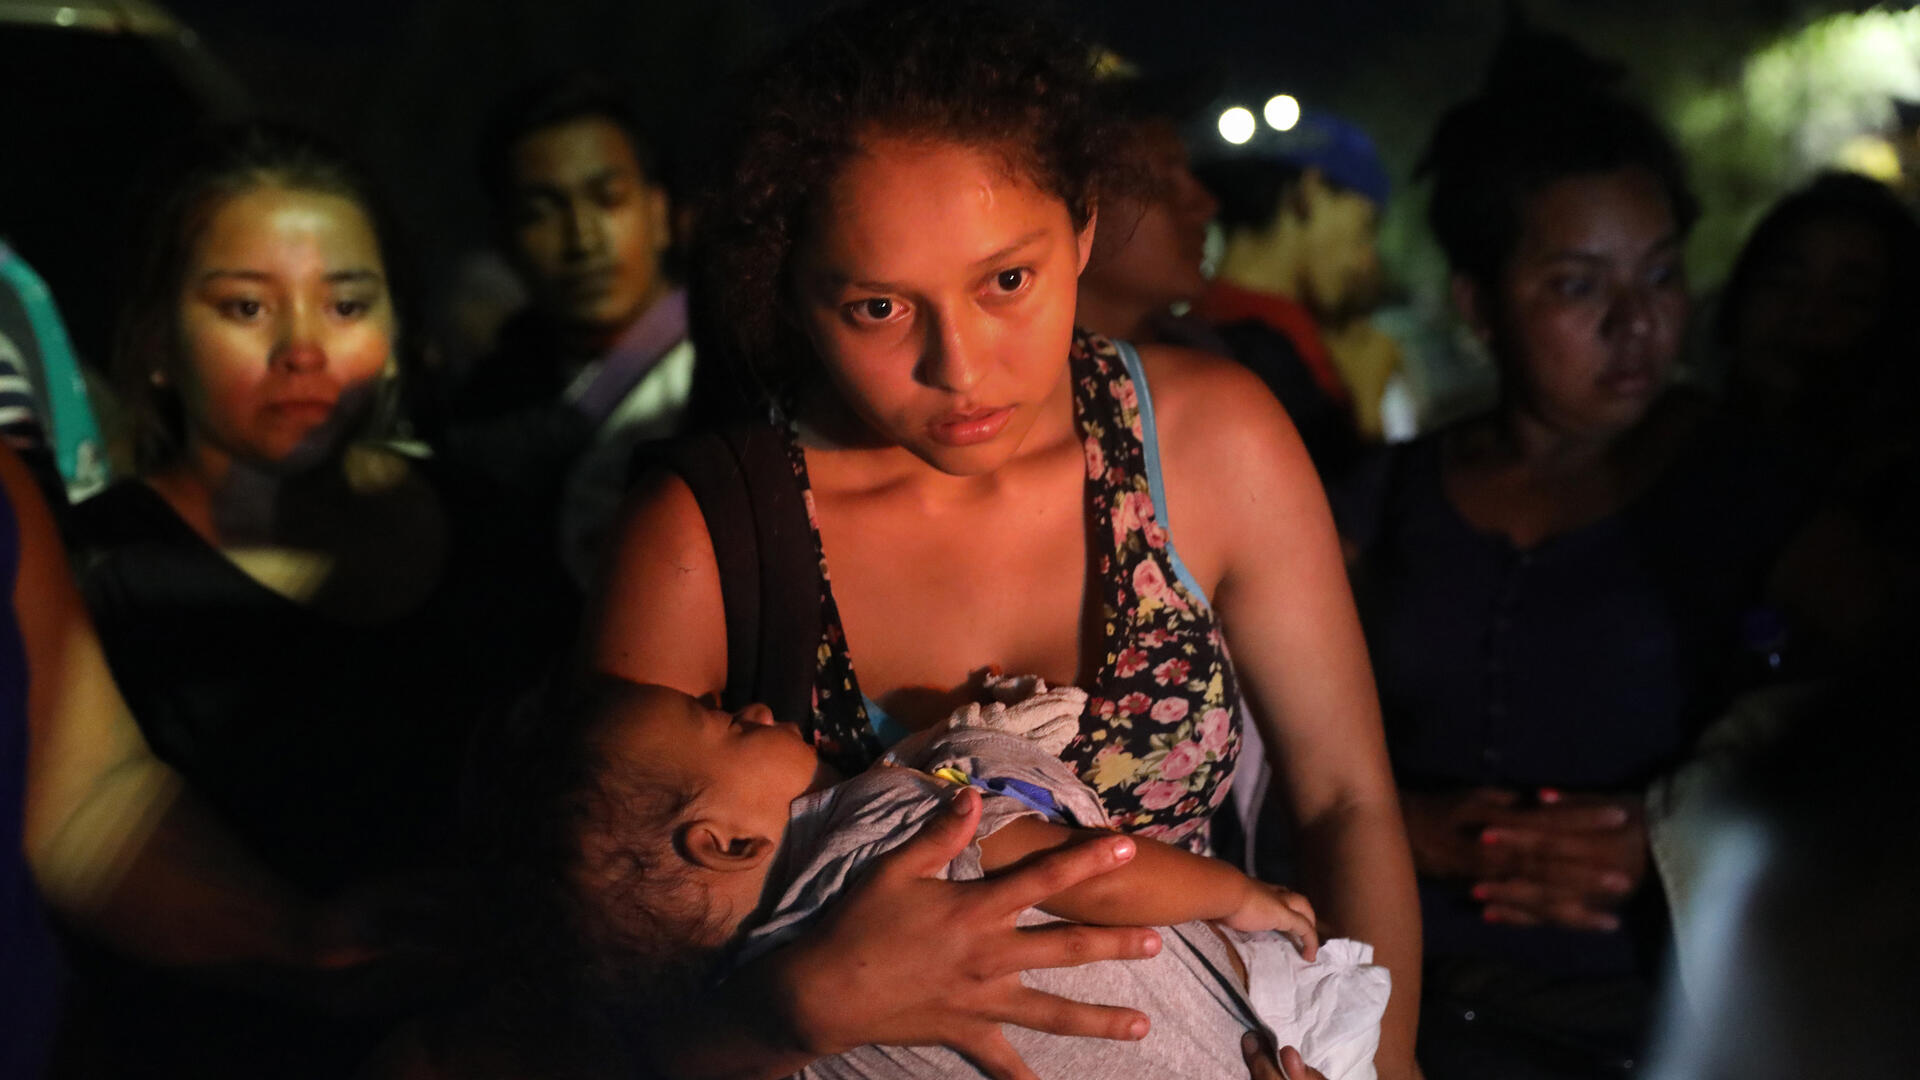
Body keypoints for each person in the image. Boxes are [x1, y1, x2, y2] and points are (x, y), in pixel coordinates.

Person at [593, 4, 1421, 1077]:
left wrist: (1376, 1061)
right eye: (880, 308)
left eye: (1007, 282)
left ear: (1080, 225)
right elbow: (602, 974)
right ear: (794, 293)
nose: (962, 367)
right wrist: (789, 1011)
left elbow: (1345, 797)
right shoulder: (707, 536)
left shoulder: (1209, 440)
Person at [1333, 26, 1804, 1079]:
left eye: (1662, 276)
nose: (1639, 325)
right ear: (1478, 306)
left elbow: (1869, 731)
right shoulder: (1381, 500)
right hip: (1400, 1014)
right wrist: (1402, 827)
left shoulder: (1762, 488)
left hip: (1674, 1021)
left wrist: (1679, 839)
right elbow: (1261, 739)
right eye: (1579, 287)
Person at [67, 123, 573, 1075]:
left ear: (396, 335)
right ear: (157, 341)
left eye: (346, 303)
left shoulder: (492, 523)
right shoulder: (90, 574)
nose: (303, 350)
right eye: (246, 307)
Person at [494, 677, 1387, 1080]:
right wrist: (1240, 893)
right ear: (722, 845)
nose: (753, 706)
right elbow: (1088, 876)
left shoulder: (771, 1024)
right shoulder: (883, 832)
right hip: (1269, 1046)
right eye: (721, 721)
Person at [444, 74, 697, 585]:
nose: (582, 240)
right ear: (506, 242)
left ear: (660, 214)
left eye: (608, 199)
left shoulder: (741, 367)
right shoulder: (486, 417)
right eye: (540, 213)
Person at [1194, 110, 1398, 454]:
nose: (1366, 258)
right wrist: (1365, 404)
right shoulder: (1253, 347)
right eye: (1365, 228)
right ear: (1310, 191)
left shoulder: (1206, 323)